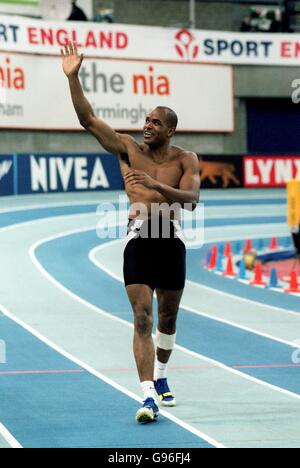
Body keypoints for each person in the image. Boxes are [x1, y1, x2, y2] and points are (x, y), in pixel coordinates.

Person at [61, 42, 200, 424]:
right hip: (139, 239)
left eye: (156, 122)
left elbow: (190, 199)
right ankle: (147, 396)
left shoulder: (185, 159)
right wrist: (73, 78)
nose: (147, 126)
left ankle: (162, 374)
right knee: (142, 319)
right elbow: (88, 119)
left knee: (167, 321)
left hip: (170, 241)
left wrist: (159, 190)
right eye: (146, 120)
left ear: (170, 129)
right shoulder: (127, 149)